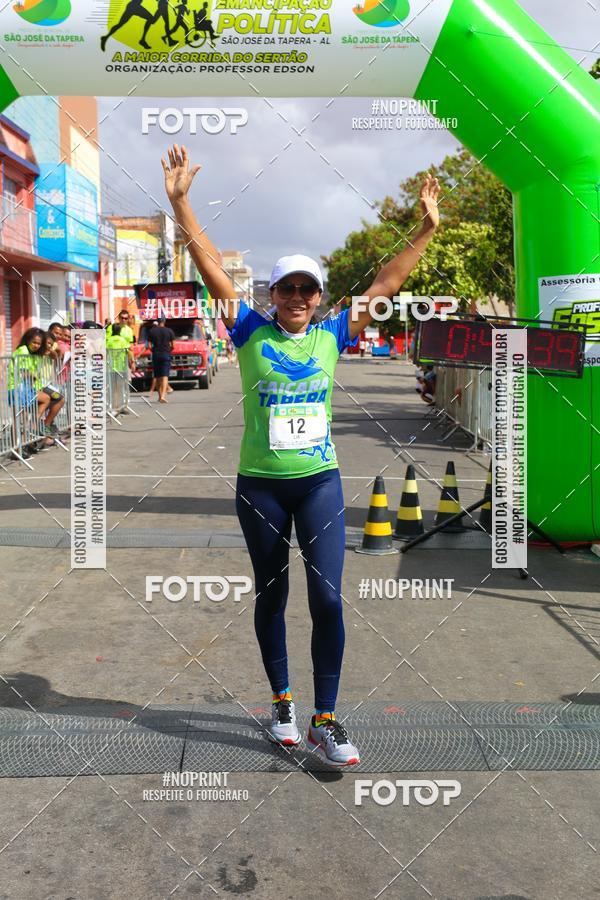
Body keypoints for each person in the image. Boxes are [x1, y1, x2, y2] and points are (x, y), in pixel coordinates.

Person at [162, 143, 440, 768]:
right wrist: (180, 204)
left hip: (318, 483)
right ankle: (283, 702)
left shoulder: (332, 334)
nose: (296, 296)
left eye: (306, 288)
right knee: (270, 594)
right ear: (274, 292)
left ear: (318, 297)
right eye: (286, 286)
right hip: (260, 485)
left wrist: (424, 230)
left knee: (328, 599)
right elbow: (210, 265)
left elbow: (387, 283)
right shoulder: (248, 330)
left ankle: (326, 718)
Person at [9, 327, 65, 448]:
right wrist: (33, 376)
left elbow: (57, 356)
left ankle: (38, 428)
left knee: (55, 399)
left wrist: (50, 349)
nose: (36, 345)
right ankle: (19, 446)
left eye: (39, 343)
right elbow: (24, 372)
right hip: (18, 388)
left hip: (30, 387)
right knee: (20, 418)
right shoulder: (23, 351)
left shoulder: (38, 352)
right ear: (28, 340)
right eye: (34, 342)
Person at [147, 316, 175, 402]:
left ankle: (159, 396)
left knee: (157, 376)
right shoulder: (169, 331)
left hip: (156, 355)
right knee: (165, 376)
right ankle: (163, 396)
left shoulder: (152, 331)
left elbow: (149, 346)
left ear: (157, 322)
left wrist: (154, 350)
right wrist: (168, 350)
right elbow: (173, 345)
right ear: (164, 321)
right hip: (166, 354)